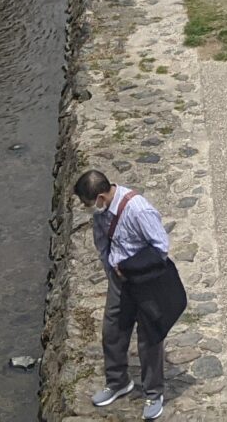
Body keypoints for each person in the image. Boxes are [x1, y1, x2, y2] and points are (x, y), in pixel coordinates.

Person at [75, 168, 184, 419]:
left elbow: (160, 248)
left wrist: (130, 268)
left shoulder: (138, 209)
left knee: (149, 338)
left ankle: (153, 392)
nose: (87, 208)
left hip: (145, 282)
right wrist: (112, 271)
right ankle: (117, 382)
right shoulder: (103, 213)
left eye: (88, 203)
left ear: (101, 197)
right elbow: (102, 242)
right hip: (120, 281)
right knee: (112, 330)